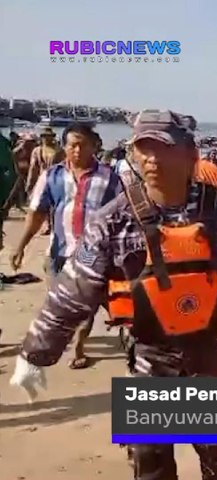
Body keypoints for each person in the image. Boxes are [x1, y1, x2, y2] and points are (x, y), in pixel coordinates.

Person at [8, 110, 217, 480]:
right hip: (150, 359)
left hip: (216, 352)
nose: (151, 159)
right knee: (149, 462)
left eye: (163, 149)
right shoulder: (112, 220)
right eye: (143, 149)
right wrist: (34, 354)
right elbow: (73, 290)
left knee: (216, 454)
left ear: (190, 154)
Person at [8, 123, 122, 369]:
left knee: (85, 306)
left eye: (83, 145)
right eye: (72, 145)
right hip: (59, 253)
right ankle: (62, 342)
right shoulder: (52, 176)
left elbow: (124, 216)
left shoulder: (110, 179)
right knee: (61, 303)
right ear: (65, 147)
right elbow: (37, 213)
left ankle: (79, 348)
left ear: (94, 146)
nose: (78, 150)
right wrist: (21, 245)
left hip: (94, 257)